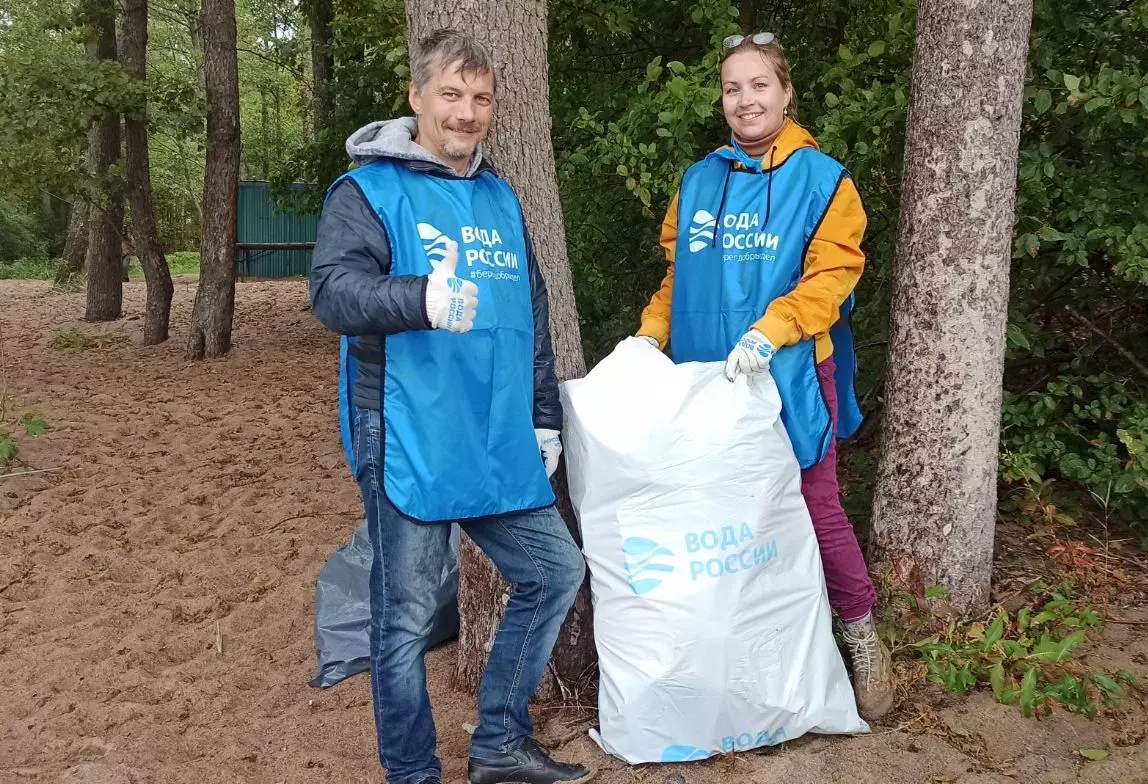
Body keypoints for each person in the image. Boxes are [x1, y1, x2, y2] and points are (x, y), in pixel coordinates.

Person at [309, 29, 592, 784]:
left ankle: (498, 744)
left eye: (481, 98)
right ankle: (411, 773)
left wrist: (543, 417)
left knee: (554, 569)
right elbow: (332, 293)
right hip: (404, 427)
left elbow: (528, 317)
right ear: (417, 97)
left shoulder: (500, 197)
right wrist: (419, 297)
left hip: (493, 429)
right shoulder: (365, 192)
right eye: (452, 95)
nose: (467, 113)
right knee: (401, 619)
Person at [634, 31, 894, 721]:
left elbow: (833, 277)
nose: (745, 100)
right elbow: (676, 277)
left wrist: (770, 330)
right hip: (708, 379)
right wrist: (647, 337)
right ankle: (750, 654)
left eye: (759, 85)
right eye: (732, 88)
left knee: (816, 502)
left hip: (791, 372)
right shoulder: (699, 180)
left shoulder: (825, 181)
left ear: (785, 92)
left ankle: (860, 631)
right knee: (722, 516)